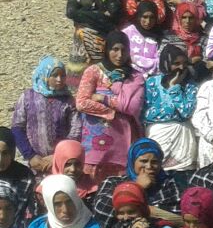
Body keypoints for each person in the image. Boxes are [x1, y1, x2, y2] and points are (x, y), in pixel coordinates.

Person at [76, 29, 144, 181]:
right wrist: (112, 112)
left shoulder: (135, 76)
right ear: (107, 50)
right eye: (115, 49)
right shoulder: (93, 71)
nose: (120, 55)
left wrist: (103, 98)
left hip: (123, 139)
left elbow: (133, 107)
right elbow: (81, 103)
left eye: (124, 50)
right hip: (95, 142)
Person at [11, 57, 79, 175]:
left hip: (61, 163)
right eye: (54, 75)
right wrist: (30, 156)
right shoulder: (28, 97)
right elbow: (17, 127)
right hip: (34, 163)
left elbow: (76, 131)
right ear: (44, 75)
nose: (59, 79)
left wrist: (58, 155)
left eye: (62, 75)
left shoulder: (69, 100)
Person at [142, 43, 199, 176]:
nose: (181, 67)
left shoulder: (190, 86)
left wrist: (174, 88)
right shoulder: (151, 83)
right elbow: (145, 112)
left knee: (182, 177)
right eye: (176, 63)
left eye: (185, 63)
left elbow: (186, 111)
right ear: (166, 64)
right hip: (158, 135)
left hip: (182, 139)